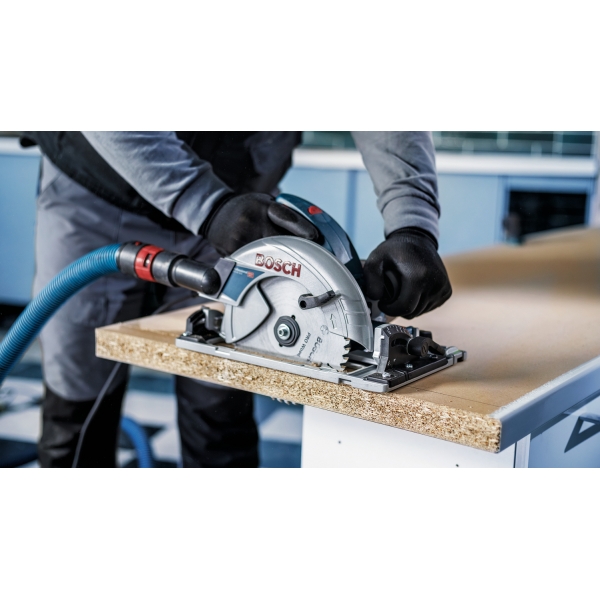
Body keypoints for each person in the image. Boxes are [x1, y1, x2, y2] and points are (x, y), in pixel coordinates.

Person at [20, 131, 452, 468]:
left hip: (239, 205)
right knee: (78, 403)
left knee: (220, 406)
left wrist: (412, 222)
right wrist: (206, 204)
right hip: (98, 193)